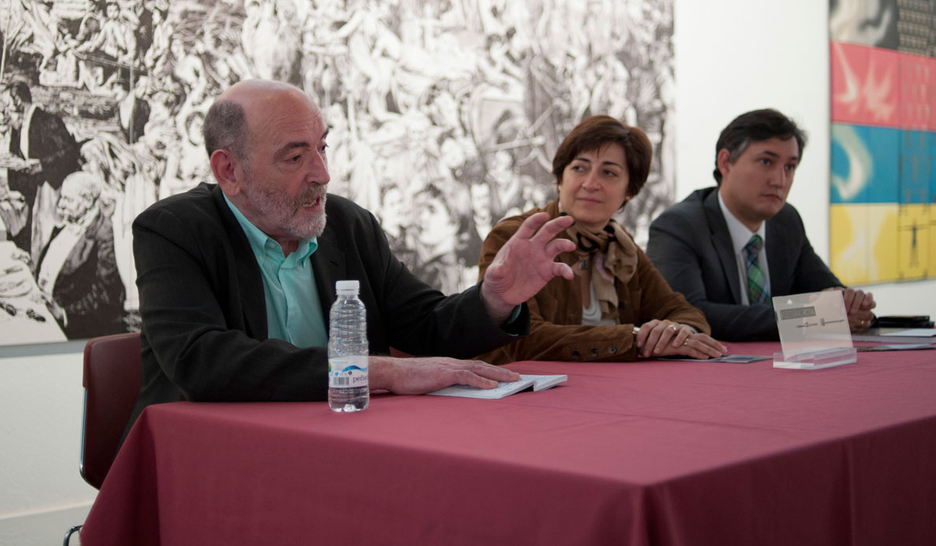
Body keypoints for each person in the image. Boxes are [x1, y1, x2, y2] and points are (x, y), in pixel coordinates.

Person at [127, 79, 577, 432]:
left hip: (340, 437)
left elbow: (425, 326)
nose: (322, 174)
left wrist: (494, 299)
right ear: (229, 170)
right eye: (295, 158)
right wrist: (378, 371)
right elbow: (201, 360)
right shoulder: (174, 230)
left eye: (322, 148)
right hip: (206, 449)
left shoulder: (347, 224)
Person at [475, 115, 726, 364]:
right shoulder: (515, 237)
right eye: (579, 168)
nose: (590, 183)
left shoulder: (621, 244)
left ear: (629, 191)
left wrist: (678, 331)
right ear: (560, 178)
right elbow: (523, 339)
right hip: (527, 385)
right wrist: (635, 339)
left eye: (608, 172)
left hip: (612, 383)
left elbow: (681, 310)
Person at [646, 109, 875, 341]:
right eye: (766, 162)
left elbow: (827, 293)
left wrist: (848, 305)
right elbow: (689, 314)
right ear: (725, 163)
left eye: (789, 167)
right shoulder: (679, 227)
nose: (779, 181)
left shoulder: (786, 220)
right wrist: (805, 317)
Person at [36, 171, 126, 338]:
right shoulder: (71, 219)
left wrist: (63, 314)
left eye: (68, 199)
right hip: (42, 306)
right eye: (62, 198)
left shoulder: (104, 235)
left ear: (88, 201)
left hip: (72, 326)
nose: (61, 205)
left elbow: (105, 296)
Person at [2, 80, 82, 259]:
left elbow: (69, 152)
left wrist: (42, 165)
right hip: (28, 195)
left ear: (18, 101)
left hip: (50, 192)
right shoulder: (18, 125)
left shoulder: (48, 121)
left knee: (44, 241)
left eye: (7, 103)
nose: (5, 110)